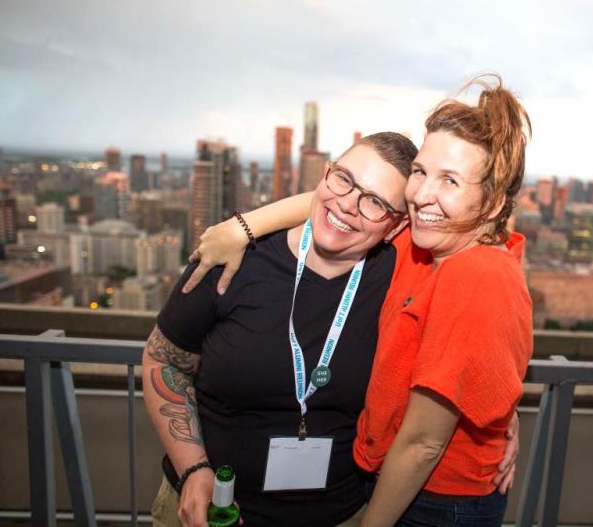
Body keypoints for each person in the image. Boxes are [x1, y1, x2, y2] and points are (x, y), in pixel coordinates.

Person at [186, 74, 533, 526]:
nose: (422, 195)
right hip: (393, 479)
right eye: (422, 173)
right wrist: (242, 228)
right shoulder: (426, 239)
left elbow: (424, 443)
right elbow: (336, 200)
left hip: (434, 502)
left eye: (450, 181)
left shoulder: (475, 274)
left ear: (490, 204)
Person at [143, 132, 417, 527]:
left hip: (339, 516)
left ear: (396, 225)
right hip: (210, 510)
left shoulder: (400, 283)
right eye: (344, 179)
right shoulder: (235, 260)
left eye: (375, 201)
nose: (348, 205)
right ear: (324, 176)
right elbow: (162, 361)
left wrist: (500, 419)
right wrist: (192, 469)